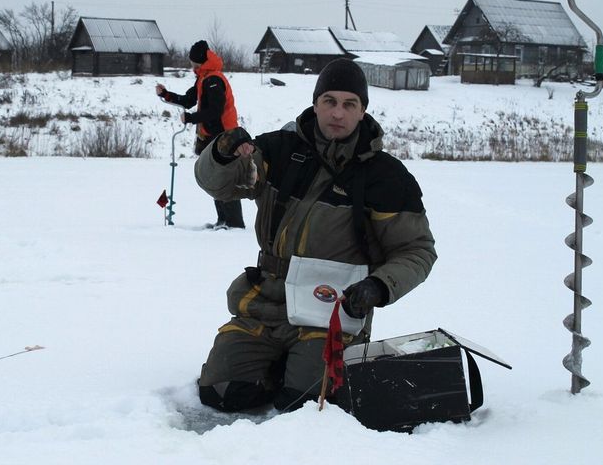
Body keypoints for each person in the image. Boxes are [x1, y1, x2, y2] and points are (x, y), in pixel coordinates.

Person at [193, 58, 437, 413]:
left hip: (333, 312)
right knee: (220, 393)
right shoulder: (277, 150)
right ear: (316, 103)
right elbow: (217, 184)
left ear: (363, 110)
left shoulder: (387, 177)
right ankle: (276, 363)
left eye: (349, 104)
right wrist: (220, 152)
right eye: (330, 102)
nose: (338, 113)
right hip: (266, 302)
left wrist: (380, 286)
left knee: (305, 405)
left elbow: (417, 250)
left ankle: (299, 368)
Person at [156, 40, 245, 229]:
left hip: (224, 136)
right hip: (212, 137)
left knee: (224, 180)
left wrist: (190, 118)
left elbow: (215, 111)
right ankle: (223, 220)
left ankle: (234, 224)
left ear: (199, 61)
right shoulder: (203, 78)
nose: (190, 66)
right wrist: (166, 95)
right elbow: (189, 100)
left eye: (192, 62)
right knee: (214, 179)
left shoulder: (214, 80)